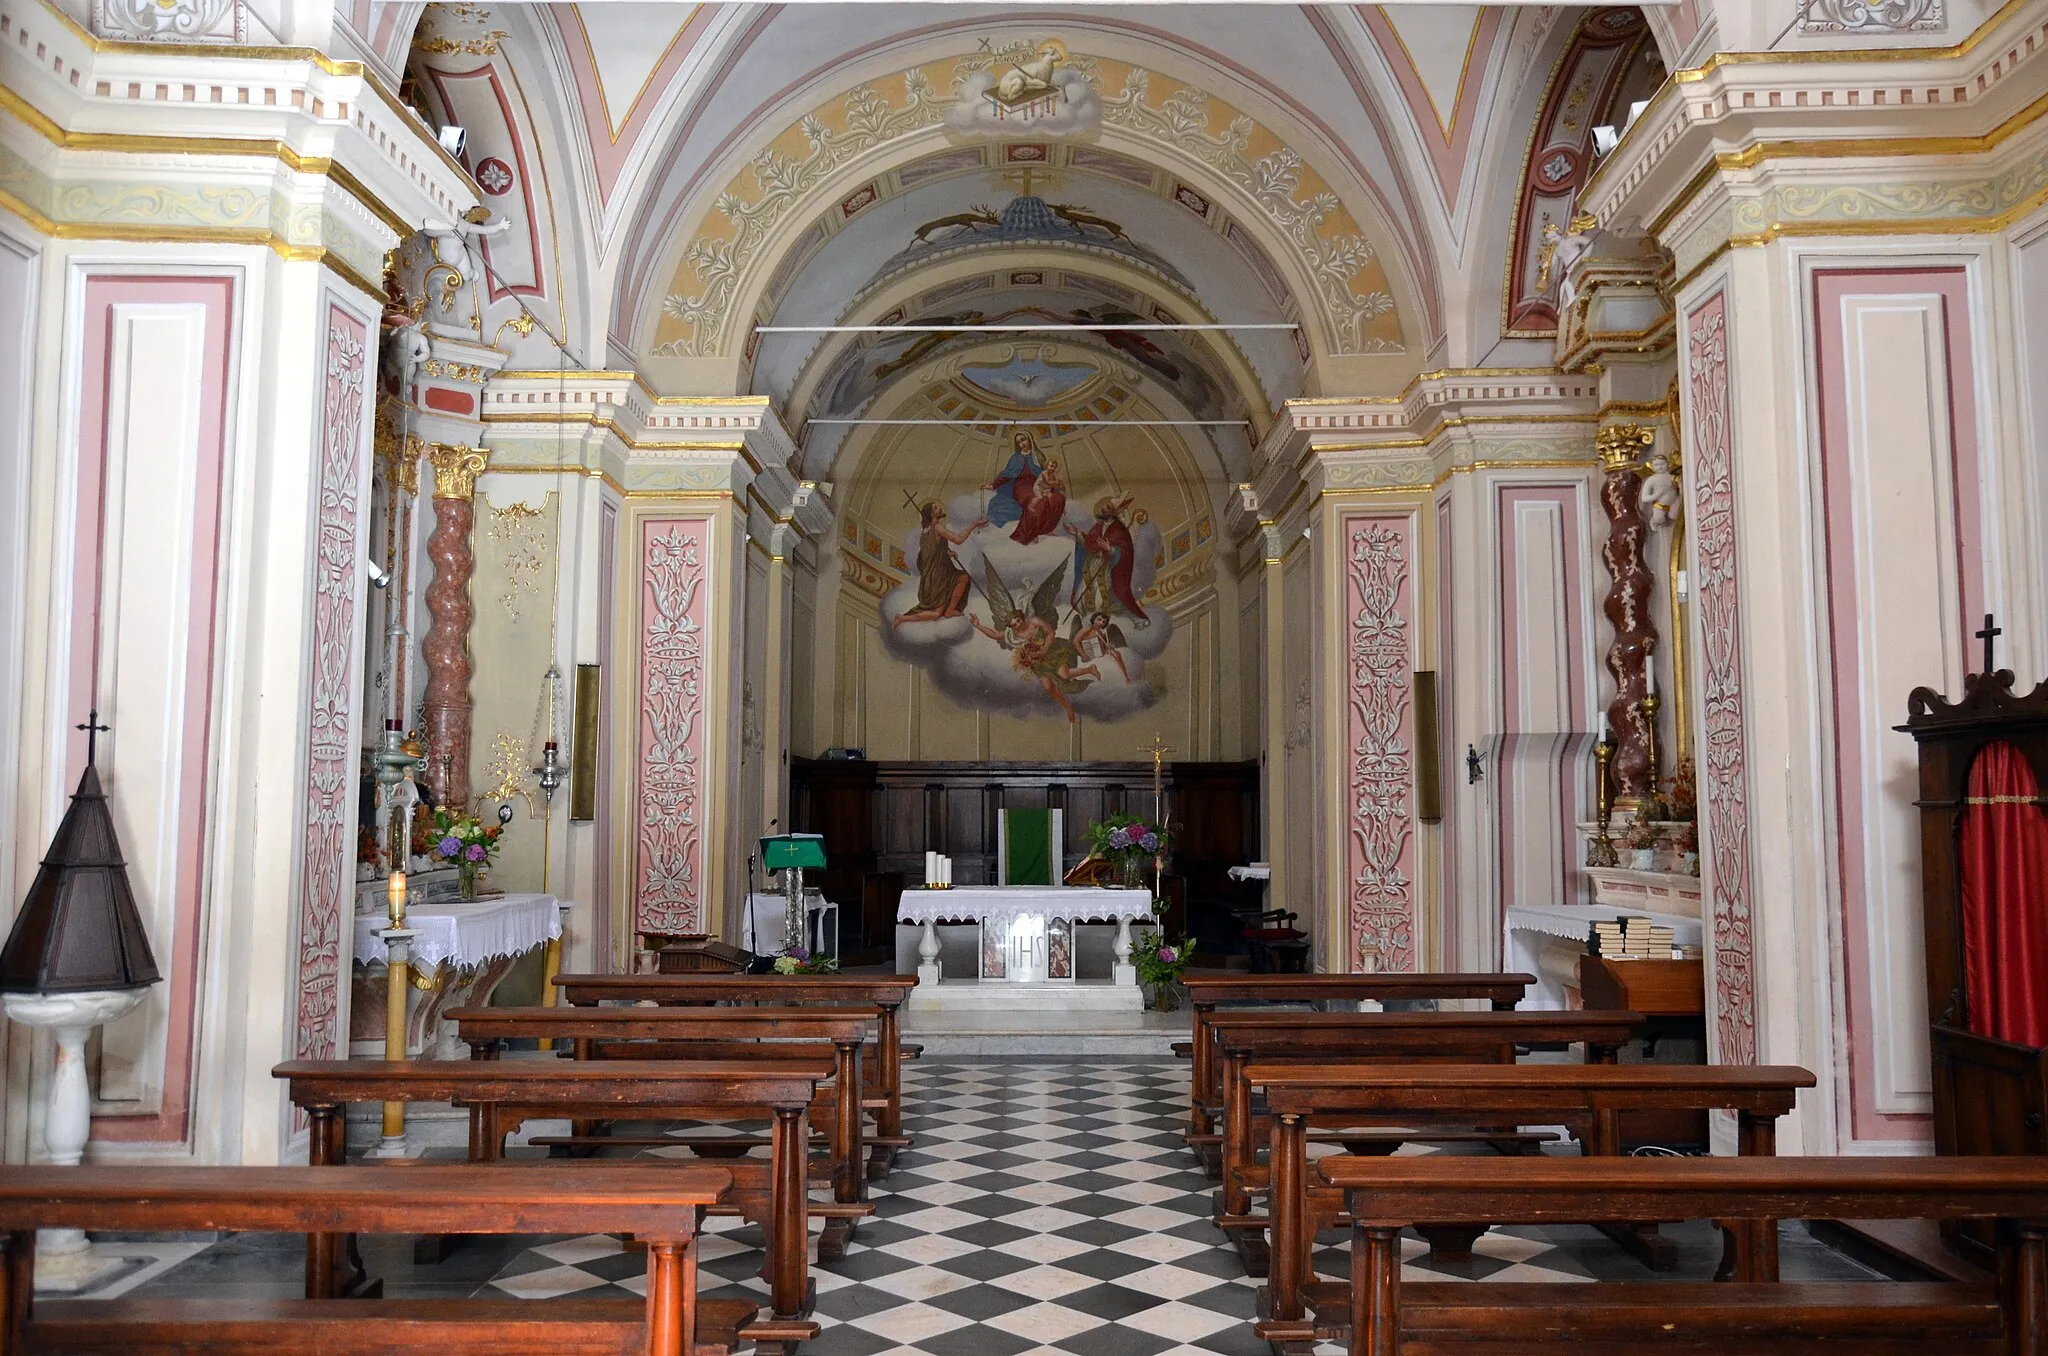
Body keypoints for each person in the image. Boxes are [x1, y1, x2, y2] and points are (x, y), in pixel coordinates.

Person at [893, 502, 983, 626]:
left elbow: (930, 553)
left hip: (931, 578)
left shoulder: (925, 531)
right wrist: (973, 525)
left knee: (963, 578)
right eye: (935, 508)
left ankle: (905, 618)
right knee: (937, 612)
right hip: (940, 577)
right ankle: (903, 618)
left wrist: (946, 554)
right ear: (931, 514)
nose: (940, 508)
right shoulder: (937, 527)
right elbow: (958, 540)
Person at [1072, 495, 1149, 623]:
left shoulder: (1120, 530)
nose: (1103, 509)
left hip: (1107, 567)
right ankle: (1088, 623)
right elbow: (1089, 542)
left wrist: (1109, 549)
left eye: (1108, 507)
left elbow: (1125, 551)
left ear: (1114, 512)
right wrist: (1078, 534)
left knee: (1099, 599)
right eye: (1105, 506)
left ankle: (1102, 625)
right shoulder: (1099, 525)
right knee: (1080, 599)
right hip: (1091, 566)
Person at [983, 430, 1046, 530]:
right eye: (1018, 442)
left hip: (1037, 485)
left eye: (1023, 440)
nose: (1021, 444)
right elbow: (1007, 474)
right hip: (1020, 486)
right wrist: (993, 485)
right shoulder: (1015, 457)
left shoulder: (1038, 455)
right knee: (1029, 498)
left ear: (1030, 439)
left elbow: (1046, 473)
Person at [1010, 458, 1067, 545]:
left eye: (1054, 467)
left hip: (1047, 490)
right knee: (1040, 498)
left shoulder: (1052, 474)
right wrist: (1058, 482)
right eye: (1051, 466)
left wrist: (1060, 485)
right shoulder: (1044, 473)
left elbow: (1054, 486)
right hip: (1039, 488)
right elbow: (1048, 481)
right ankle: (1031, 506)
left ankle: (1047, 528)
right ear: (1047, 465)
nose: (1052, 468)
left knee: (1053, 499)